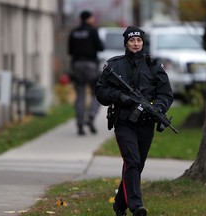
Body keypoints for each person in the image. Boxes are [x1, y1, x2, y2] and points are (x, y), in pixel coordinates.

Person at [95, 26, 173, 216]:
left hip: (146, 123)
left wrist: (159, 108)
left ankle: (119, 204)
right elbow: (101, 92)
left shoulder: (154, 66)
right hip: (124, 122)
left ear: (143, 43)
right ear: (126, 43)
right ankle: (136, 206)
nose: (136, 44)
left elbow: (166, 94)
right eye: (132, 41)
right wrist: (120, 97)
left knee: (138, 165)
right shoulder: (114, 66)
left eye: (139, 41)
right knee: (132, 161)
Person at [67, 10, 104, 135]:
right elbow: (100, 47)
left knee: (80, 95)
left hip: (77, 65)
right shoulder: (92, 31)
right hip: (90, 65)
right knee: (97, 92)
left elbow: (70, 51)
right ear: (89, 19)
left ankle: (80, 124)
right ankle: (91, 116)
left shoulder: (74, 32)